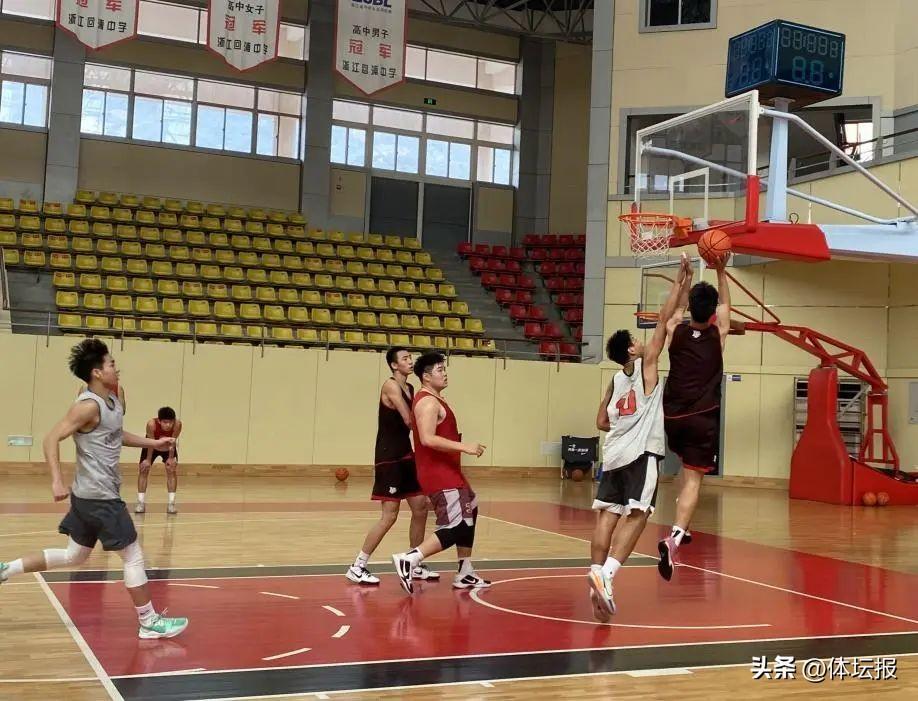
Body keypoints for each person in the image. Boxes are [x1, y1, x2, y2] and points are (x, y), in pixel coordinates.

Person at [0, 339, 188, 639]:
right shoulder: (87, 406)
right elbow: (50, 439)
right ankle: (149, 621)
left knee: (74, 556)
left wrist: (154, 443)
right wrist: (56, 480)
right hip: (101, 497)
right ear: (97, 372)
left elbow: (116, 434)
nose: (116, 368)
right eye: (111, 364)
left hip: (88, 497)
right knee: (133, 555)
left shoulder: (112, 401)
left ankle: (6, 569)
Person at [588, 255, 692, 621]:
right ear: (631, 350)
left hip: (613, 453)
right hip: (641, 454)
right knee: (639, 514)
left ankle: (595, 580)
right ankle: (607, 575)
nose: (641, 341)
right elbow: (664, 321)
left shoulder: (615, 380)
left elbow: (601, 420)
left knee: (606, 517)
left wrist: (624, 424)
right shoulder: (646, 368)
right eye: (636, 339)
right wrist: (681, 281)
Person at [657, 253, 734, 581]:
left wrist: (684, 279)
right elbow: (727, 306)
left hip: (673, 417)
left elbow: (671, 312)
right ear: (712, 312)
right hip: (703, 418)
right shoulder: (718, 335)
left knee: (684, 469)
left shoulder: (675, 331)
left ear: (690, 308)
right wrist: (721, 271)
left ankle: (683, 525)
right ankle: (674, 537)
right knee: (693, 479)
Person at [391, 353, 489, 594]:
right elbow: (427, 438)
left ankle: (465, 570)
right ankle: (411, 559)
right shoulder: (428, 402)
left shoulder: (435, 399)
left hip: (449, 471)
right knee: (457, 525)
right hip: (439, 473)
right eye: (439, 370)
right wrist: (465, 447)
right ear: (426, 376)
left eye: (444, 369)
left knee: (472, 508)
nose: (444, 373)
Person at [346, 347, 438, 585]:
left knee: (420, 508)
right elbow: (408, 419)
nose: (410, 361)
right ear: (394, 365)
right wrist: (436, 425)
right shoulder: (391, 386)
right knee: (389, 516)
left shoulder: (410, 388)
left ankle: (414, 563)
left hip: (405, 455)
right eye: (405, 359)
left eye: (410, 358)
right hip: (389, 456)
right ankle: (357, 566)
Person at [136, 407, 182, 516]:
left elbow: (172, 442)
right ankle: (140, 503)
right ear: (159, 421)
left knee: (171, 471)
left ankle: (171, 504)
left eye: (170, 422)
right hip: (152, 444)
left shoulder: (177, 425)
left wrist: (171, 458)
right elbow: (151, 443)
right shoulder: (151, 424)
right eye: (165, 422)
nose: (168, 425)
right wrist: (148, 460)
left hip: (168, 446)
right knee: (143, 470)